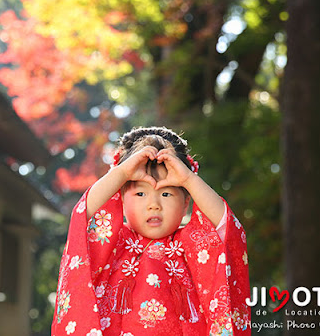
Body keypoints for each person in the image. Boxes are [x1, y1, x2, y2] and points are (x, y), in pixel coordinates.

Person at [51, 126, 250, 336]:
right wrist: (121, 173)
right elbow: (82, 219)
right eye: (140, 193)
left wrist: (188, 180)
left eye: (165, 194)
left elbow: (227, 230)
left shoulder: (193, 244)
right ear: (121, 199)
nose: (153, 204)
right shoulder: (112, 242)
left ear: (185, 203)